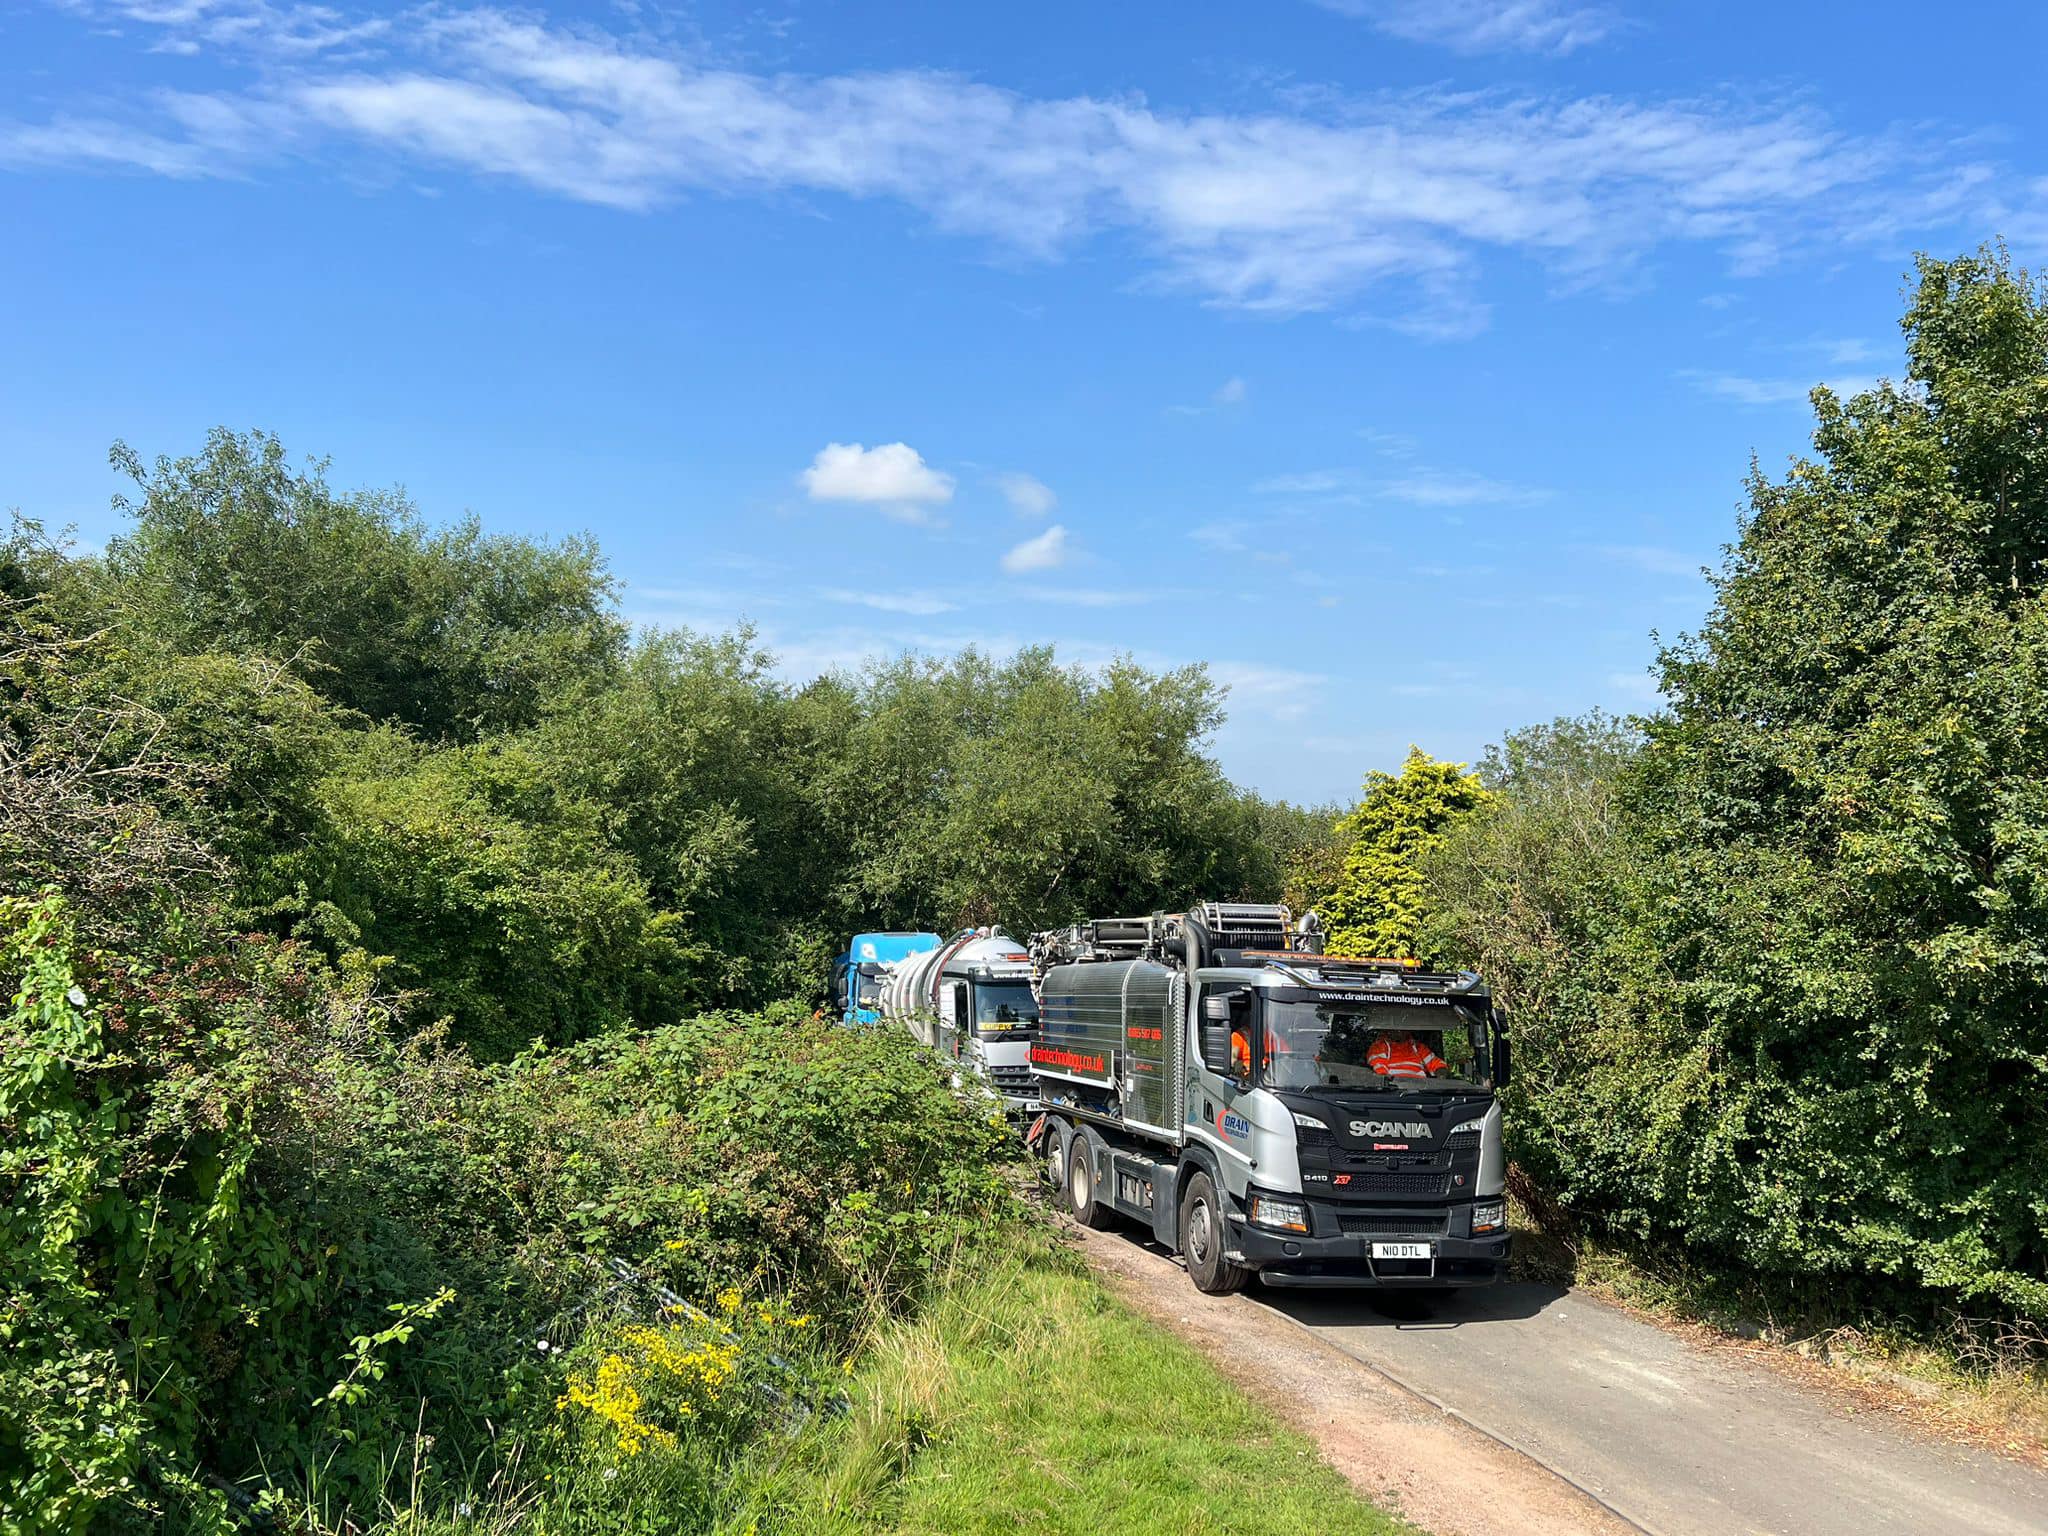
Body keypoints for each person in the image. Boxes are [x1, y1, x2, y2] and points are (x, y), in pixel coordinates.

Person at [1368, 1028, 1446, 1080]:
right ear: (1388, 1029)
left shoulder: (1418, 1047)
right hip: (1393, 1089)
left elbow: (1436, 1064)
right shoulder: (1379, 1046)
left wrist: (1441, 1075)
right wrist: (1388, 1080)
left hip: (1421, 1090)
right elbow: (1379, 1067)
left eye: (1402, 1028)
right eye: (1395, 1027)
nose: (1399, 1031)